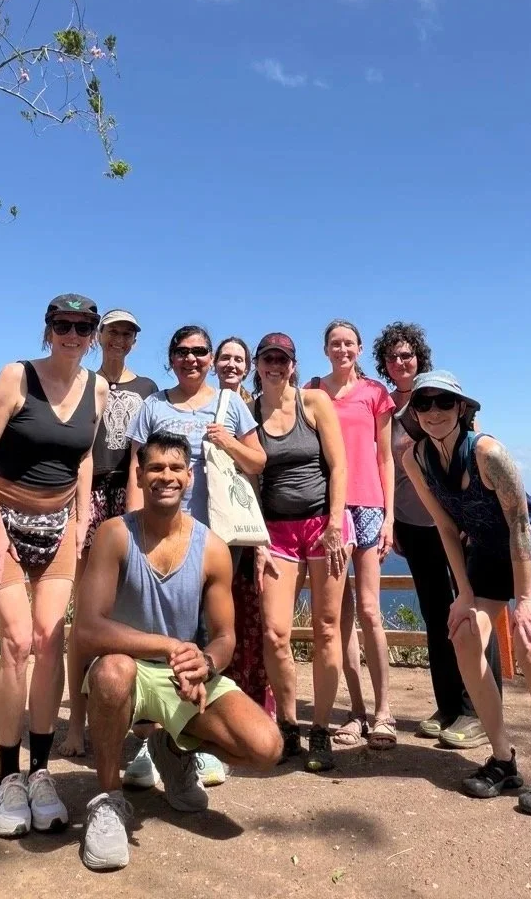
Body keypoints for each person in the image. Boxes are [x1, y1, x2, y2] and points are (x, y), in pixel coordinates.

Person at [73, 432, 283, 871]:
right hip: (128, 668)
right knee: (112, 672)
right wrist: (171, 645)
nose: (165, 477)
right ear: (139, 474)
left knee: (266, 748)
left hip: (183, 677)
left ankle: (175, 750)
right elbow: (88, 629)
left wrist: (204, 662)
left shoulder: (212, 548)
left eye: (174, 469)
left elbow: (224, 637)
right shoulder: (114, 536)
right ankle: (108, 801)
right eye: (154, 468)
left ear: (189, 477)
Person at [401, 371, 531, 816]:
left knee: (529, 645)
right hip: (487, 554)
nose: (434, 412)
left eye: (444, 402)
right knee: (462, 634)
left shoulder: (487, 452)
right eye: (424, 404)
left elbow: (520, 525)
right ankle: (503, 759)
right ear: (415, 413)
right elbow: (445, 526)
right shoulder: (415, 458)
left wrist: (524, 601)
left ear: (463, 408)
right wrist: (463, 594)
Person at [0, 294, 108, 838]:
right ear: (47, 328)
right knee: (17, 643)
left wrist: (81, 517)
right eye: (63, 324)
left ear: (93, 333)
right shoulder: (16, 376)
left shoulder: (97, 387)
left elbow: (85, 456)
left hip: (59, 527)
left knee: (53, 639)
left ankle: (41, 771)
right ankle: (6, 778)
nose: (73, 334)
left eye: (83, 326)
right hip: (2, 518)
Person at [125, 325, 266, 788]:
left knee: (207, 638)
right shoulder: (153, 407)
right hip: (155, 536)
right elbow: (135, 471)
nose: (192, 358)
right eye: (182, 352)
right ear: (171, 357)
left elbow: (258, 461)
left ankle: (194, 743)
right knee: (151, 637)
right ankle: (146, 743)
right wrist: (130, 531)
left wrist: (227, 441)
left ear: (209, 357)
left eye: (200, 351)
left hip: (213, 541)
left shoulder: (230, 403)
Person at [373, 322, 501, 750]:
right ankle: (448, 706)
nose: (400, 362)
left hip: (455, 524)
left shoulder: (443, 395)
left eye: (406, 355)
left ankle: (478, 710)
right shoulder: (388, 409)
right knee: (436, 616)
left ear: (419, 357)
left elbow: (475, 451)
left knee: (472, 611)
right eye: (392, 357)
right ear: (385, 364)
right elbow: (384, 465)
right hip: (414, 524)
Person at [254, 333, 353, 772]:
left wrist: (334, 523)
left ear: (293, 364)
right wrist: (254, 534)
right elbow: (246, 477)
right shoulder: (248, 408)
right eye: (268, 358)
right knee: (275, 633)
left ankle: (321, 731)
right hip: (275, 530)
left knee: (327, 629)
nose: (275, 365)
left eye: (283, 358)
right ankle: (290, 726)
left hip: (323, 525)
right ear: (259, 364)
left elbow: (339, 465)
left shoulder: (313, 403)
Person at [62, 309, 158, 757]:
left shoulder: (148, 390)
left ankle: (137, 721)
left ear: (135, 341)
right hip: (90, 495)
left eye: (128, 333)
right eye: (114, 330)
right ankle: (76, 723)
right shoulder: (83, 383)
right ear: (100, 336)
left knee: (134, 609)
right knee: (85, 612)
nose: (120, 338)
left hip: (133, 495)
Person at [306, 320, 396, 750]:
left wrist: (390, 518)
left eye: (348, 343)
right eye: (334, 343)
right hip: (328, 509)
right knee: (338, 616)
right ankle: (356, 712)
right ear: (325, 350)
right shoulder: (312, 390)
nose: (342, 349)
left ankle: (384, 712)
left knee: (371, 611)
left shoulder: (376, 393)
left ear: (359, 349)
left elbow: (385, 458)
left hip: (369, 506)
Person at [213, 336, 273, 714]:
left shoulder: (258, 406)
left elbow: (259, 466)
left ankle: (252, 703)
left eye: (239, 359)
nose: (232, 365)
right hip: (212, 521)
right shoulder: (200, 403)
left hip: (248, 520)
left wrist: (261, 533)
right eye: (225, 358)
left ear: (248, 367)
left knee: (251, 612)